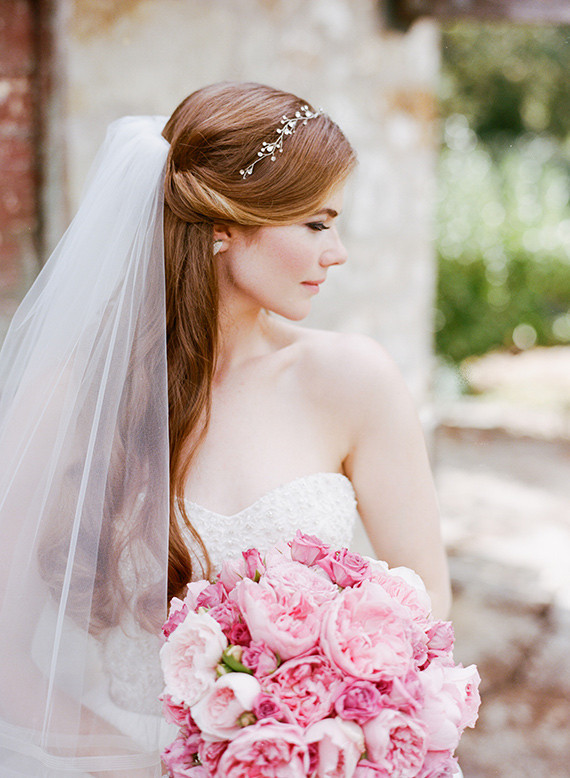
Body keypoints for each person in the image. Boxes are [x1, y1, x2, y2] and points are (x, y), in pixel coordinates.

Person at [0, 82, 451, 777]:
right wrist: (168, 766)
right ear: (221, 225)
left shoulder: (354, 381)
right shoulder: (70, 395)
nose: (338, 253)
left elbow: (427, 620)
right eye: (315, 223)